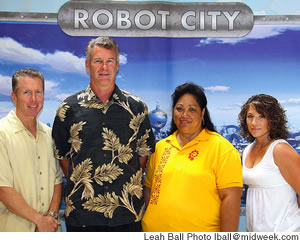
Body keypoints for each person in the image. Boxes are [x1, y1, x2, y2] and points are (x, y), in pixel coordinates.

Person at [52, 36, 156, 232]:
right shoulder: (68, 109)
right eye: (98, 61)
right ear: (87, 65)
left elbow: (143, 156)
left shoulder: (137, 108)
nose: (104, 67)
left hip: (127, 215)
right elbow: (64, 158)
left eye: (109, 61)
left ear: (117, 65)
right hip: (82, 215)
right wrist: (86, 180)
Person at [142, 82, 243, 232]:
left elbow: (231, 200)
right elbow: (149, 190)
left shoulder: (222, 149)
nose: (184, 115)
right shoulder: (161, 146)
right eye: (179, 109)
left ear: (202, 113)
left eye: (192, 109)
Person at [0, 68, 63, 232]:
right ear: (14, 97)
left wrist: (51, 217)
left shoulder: (49, 134)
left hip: (49, 230)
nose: (34, 99)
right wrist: (39, 221)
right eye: (27, 92)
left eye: (38, 92)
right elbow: (3, 188)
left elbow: (57, 179)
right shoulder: (2, 134)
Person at [238, 94, 300, 232]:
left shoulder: (280, 149)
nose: (254, 122)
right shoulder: (247, 150)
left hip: (286, 231)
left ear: (273, 120)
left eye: (261, 116)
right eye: (250, 116)